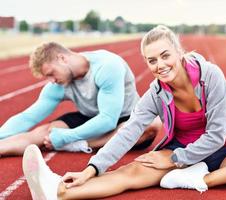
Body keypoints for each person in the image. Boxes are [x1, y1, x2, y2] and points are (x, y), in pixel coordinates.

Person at [22, 25, 226, 200]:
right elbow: (128, 131)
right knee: (130, 173)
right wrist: (91, 169)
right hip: (179, 152)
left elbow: (216, 135)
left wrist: (176, 162)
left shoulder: (210, 76)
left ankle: (198, 179)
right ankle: (57, 190)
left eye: (165, 55)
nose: (160, 65)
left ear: (179, 52)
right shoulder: (155, 92)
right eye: (152, 60)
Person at [0, 42, 160, 156]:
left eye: (51, 73)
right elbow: (28, 117)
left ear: (62, 58)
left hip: (122, 117)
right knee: (45, 131)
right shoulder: (57, 85)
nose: (51, 80)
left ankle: (80, 144)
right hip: (89, 118)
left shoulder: (107, 66)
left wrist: (68, 137)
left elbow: (108, 120)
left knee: (151, 126)